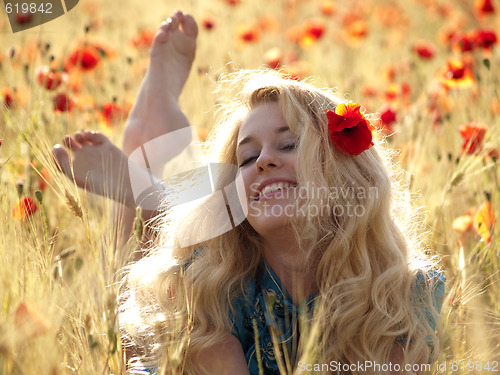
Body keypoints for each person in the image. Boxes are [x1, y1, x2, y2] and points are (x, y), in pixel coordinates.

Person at [52, 10, 445, 375]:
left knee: (171, 233)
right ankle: (146, 165)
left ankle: (148, 187)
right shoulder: (207, 289)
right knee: (136, 276)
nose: (263, 161)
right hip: (187, 311)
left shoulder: (403, 293)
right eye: (247, 156)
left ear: (346, 172)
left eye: (289, 145)